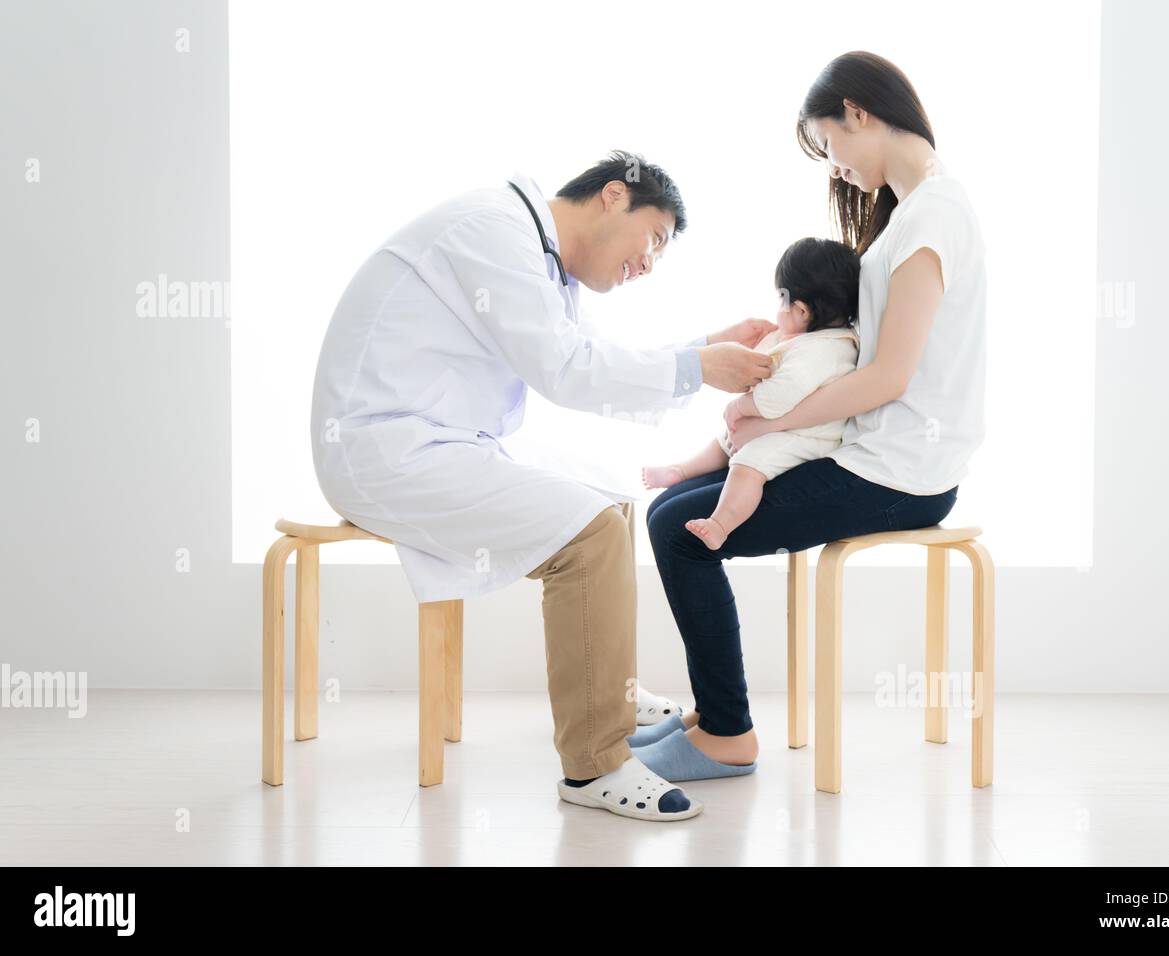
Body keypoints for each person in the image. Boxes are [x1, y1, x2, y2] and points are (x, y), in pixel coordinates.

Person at [310, 151, 775, 822]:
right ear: (614, 196)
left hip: (434, 436)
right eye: (655, 239)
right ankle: (595, 767)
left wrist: (703, 348)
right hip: (381, 448)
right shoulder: (494, 232)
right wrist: (699, 365)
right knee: (588, 536)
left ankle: (608, 698)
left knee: (609, 493)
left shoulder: (537, 256)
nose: (649, 263)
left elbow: (585, 357)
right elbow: (568, 370)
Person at [630, 51, 987, 783]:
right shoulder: (913, 215)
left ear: (858, 113)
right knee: (673, 508)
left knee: (676, 530)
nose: (834, 168)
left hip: (902, 470)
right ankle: (713, 715)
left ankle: (728, 735)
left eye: (829, 145)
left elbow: (888, 376)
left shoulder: (933, 216)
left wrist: (771, 427)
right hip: (872, 452)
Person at [641, 237, 861, 551]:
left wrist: (740, 406)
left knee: (748, 464)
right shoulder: (809, 339)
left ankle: (720, 523)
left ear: (800, 311)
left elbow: (778, 397)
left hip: (807, 439)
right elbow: (768, 369)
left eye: (780, 299)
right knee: (725, 440)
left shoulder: (823, 351)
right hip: (785, 426)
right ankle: (682, 470)